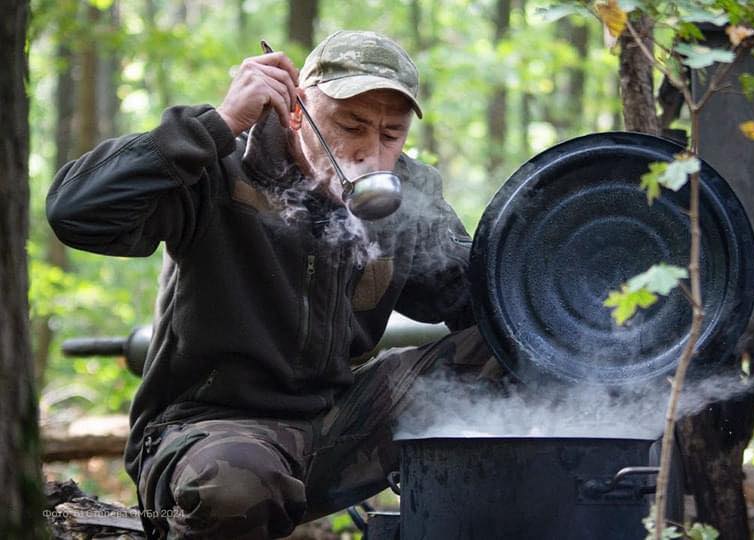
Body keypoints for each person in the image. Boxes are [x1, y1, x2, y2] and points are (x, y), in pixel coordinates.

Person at [47, 30, 496, 539]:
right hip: (208, 434)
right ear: (298, 111)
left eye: (391, 135)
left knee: (514, 345)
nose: (371, 152)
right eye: (351, 126)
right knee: (239, 486)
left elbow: (482, 299)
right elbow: (75, 213)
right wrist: (219, 124)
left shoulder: (409, 196)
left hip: (339, 426)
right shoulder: (217, 168)